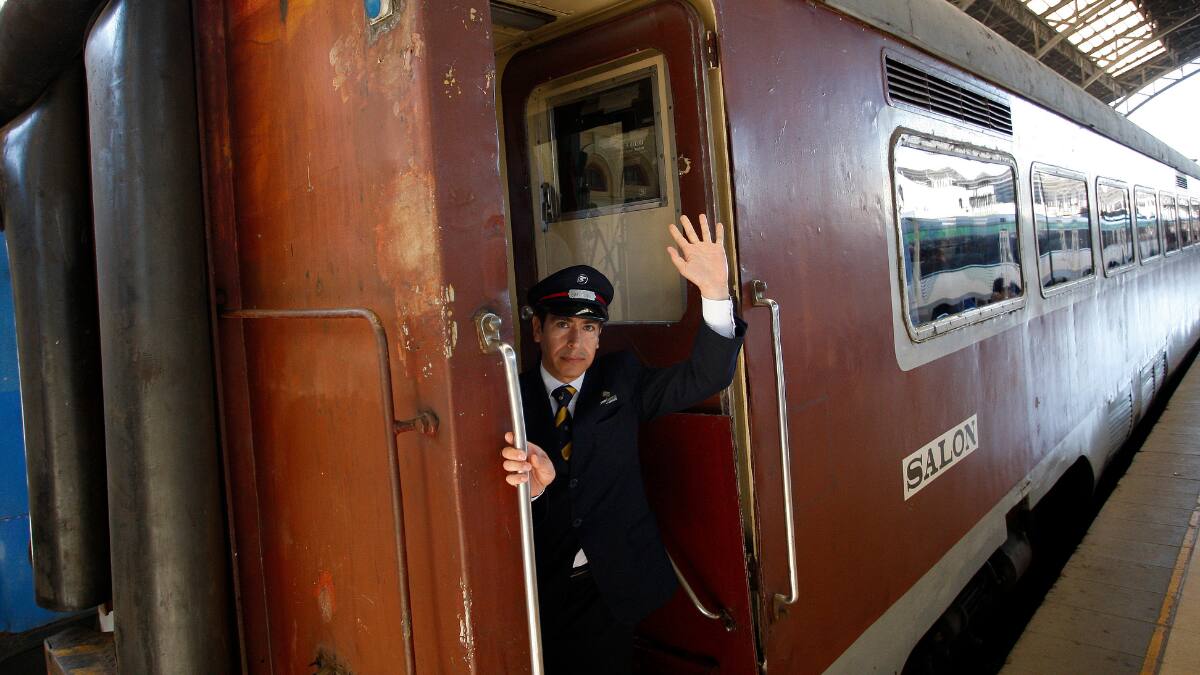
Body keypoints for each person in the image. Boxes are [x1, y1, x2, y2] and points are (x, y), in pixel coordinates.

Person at [500, 214, 746, 674]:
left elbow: (707, 375)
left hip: (612, 585)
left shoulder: (622, 379)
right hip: (538, 592)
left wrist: (715, 294)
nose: (577, 342)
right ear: (537, 330)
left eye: (590, 328)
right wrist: (536, 491)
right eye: (563, 325)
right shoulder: (508, 401)